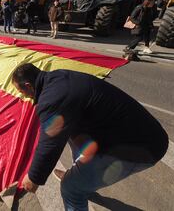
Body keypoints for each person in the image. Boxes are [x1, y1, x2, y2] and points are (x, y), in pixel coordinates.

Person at [11, 63, 168, 211]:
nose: (24, 97)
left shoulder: (51, 99)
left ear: (28, 86)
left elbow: (50, 144)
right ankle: (82, 178)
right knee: (72, 134)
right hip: (137, 131)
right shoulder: (58, 77)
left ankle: (80, 185)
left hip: (141, 147)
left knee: (71, 188)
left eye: (22, 92)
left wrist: (34, 177)